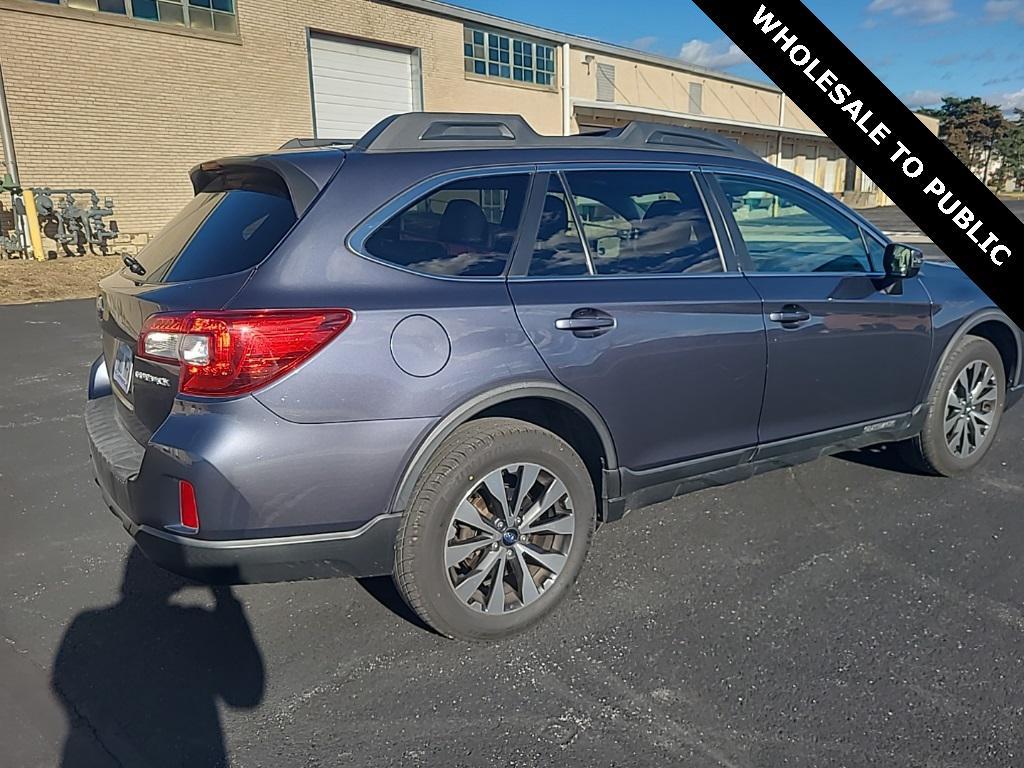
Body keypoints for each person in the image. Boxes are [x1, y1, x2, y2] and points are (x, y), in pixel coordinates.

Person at [51, 548, 264, 767]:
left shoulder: (87, 624)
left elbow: (63, 684)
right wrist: (225, 598)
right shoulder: (194, 626)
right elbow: (246, 695)